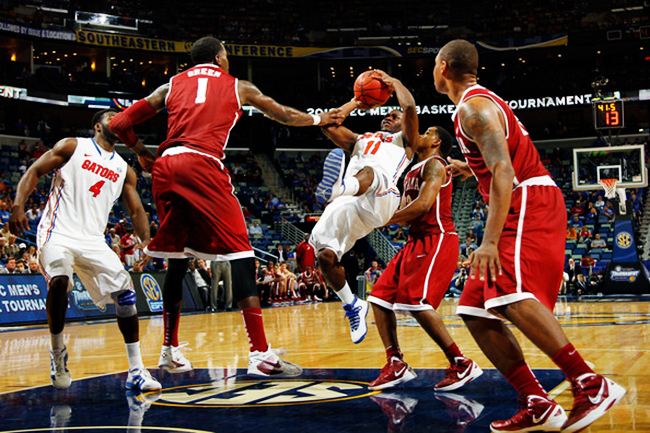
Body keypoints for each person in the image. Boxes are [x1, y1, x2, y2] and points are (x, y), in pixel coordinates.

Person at [109, 36, 341, 376]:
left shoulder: (171, 85)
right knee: (242, 255)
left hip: (166, 166)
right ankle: (260, 353)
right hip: (201, 162)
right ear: (219, 58)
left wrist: (143, 152)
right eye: (227, 55)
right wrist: (321, 120)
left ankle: (169, 350)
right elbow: (284, 115)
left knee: (177, 260)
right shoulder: (238, 85)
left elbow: (118, 123)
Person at [437, 39, 625, 432]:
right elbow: (500, 162)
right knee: (473, 308)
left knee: (508, 292)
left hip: (527, 199)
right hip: (524, 196)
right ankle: (536, 400)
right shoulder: (477, 106)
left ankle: (590, 384)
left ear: (442, 68)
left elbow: (505, 171)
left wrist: (488, 242)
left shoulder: (473, 107)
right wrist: (469, 168)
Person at [9, 109, 160, 391]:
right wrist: (18, 204)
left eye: (120, 117)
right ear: (97, 127)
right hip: (58, 232)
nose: (117, 120)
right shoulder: (73, 146)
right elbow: (35, 171)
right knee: (60, 280)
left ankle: (137, 370)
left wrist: (147, 241)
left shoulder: (124, 169)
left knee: (126, 294)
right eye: (110, 117)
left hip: (93, 240)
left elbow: (137, 209)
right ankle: (57, 353)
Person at [366, 124, 483, 391]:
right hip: (415, 240)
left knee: (416, 302)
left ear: (436, 143)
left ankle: (461, 363)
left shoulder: (436, 165)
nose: (420, 133)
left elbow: (424, 204)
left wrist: (383, 219)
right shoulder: (412, 169)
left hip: (437, 237)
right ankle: (395, 362)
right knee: (379, 297)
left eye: (428, 132)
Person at [311, 70, 417, 344]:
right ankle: (352, 304)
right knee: (324, 255)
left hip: (382, 197)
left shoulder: (405, 142)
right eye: (387, 114)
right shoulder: (362, 139)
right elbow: (327, 125)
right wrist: (356, 101)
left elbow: (409, 107)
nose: (388, 117)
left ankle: (335, 188)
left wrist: (395, 83)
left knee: (370, 171)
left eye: (394, 116)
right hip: (349, 202)